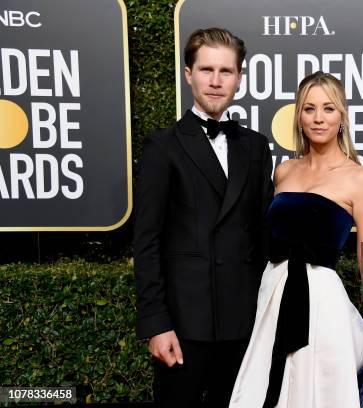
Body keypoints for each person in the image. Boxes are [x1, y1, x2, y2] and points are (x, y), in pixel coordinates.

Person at [229, 71, 363, 408]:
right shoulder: (284, 171)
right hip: (273, 292)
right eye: (309, 108)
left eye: (328, 109)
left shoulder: (360, 179)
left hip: (321, 300)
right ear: (299, 117)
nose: (318, 118)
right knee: (263, 389)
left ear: (342, 117)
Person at [133, 27, 273, 407]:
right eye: (206, 69)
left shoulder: (257, 147)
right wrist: (156, 324)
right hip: (184, 326)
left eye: (226, 72)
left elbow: (263, 236)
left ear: (239, 79)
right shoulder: (162, 147)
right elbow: (146, 242)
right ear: (188, 74)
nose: (215, 81)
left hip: (244, 323)